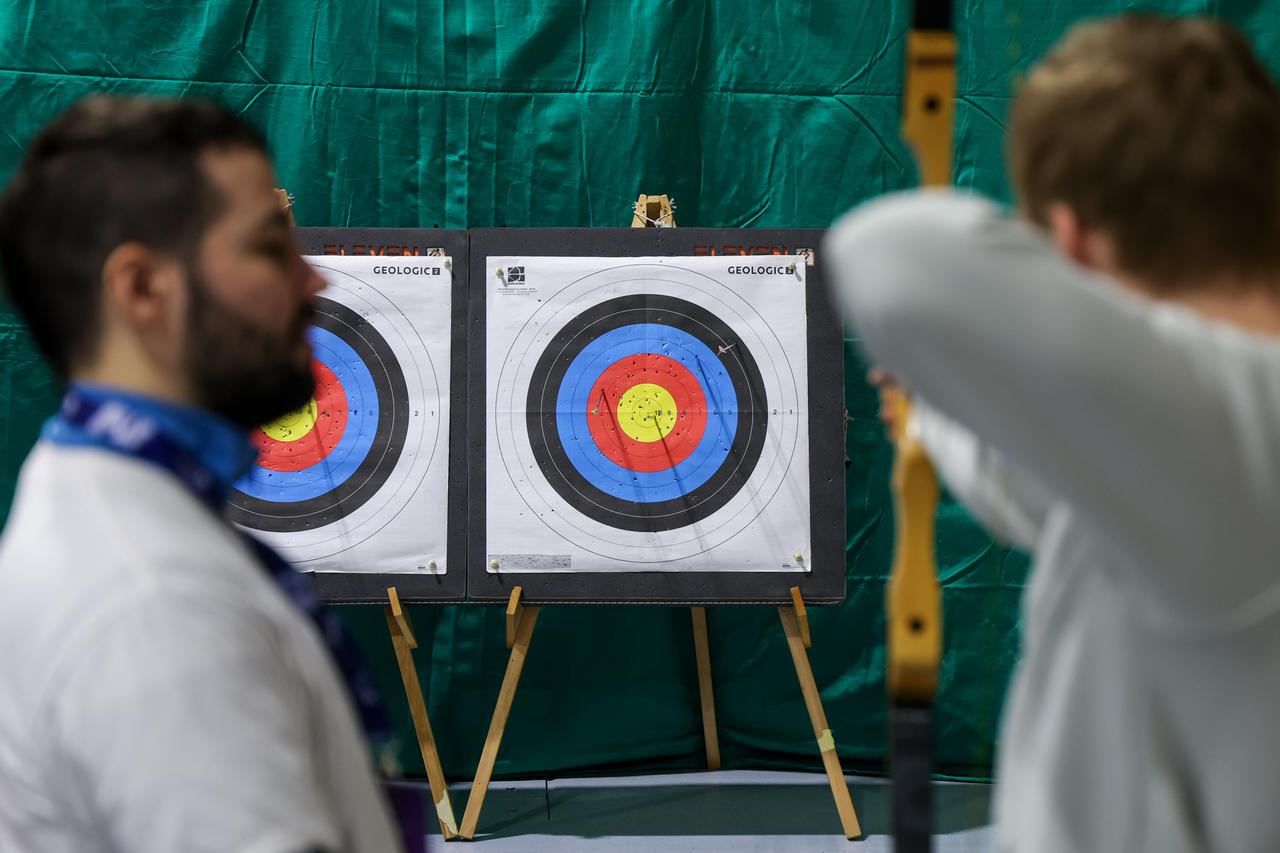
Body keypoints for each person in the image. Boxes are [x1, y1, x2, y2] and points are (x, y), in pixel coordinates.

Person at [827, 15, 1280, 853]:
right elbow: (1047, 492)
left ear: (1067, 239)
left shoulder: (1225, 416)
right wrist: (935, 414)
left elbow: (886, 254)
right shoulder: (1184, 445)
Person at [0, 97, 403, 852]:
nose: (313, 281)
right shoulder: (153, 603)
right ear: (142, 289)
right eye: (268, 248)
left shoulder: (94, 494)